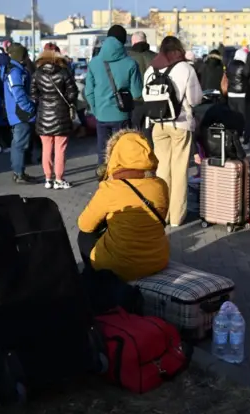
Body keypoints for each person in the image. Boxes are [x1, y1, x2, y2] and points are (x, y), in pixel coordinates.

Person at [77, 130, 170, 282]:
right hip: (158, 260)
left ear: (116, 156)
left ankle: (95, 277)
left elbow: (84, 224)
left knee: (84, 235)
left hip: (119, 267)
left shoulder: (111, 188)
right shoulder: (160, 184)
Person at [143, 36, 202, 227]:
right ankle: (176, 217)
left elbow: (145, 95)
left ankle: (161, 213)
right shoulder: (186, 69)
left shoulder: (151, 69)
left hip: (157, 124)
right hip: (180, 124)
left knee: (162, 169)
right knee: (179, 171)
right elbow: (195, 99)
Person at [85, 25, 143, 164]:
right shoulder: (130, 63)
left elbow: (88, 91)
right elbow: (137, 92)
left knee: (103, 152)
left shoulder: (94, 63)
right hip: (121, 115)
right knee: (121, 152)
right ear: (123, 42)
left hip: (101, 115)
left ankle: (104, 181)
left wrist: (96, 110)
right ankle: (119, 183)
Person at [30, 45, 78, 190]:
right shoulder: (64, 72)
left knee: (46, 149)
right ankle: (59, 179)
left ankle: (47, 179)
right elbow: (72, 93)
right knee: (60, 149)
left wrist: (44, 100)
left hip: (44, 115)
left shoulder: (37, 73)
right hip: (61, 115)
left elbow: (33, 95)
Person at [3, 43, 37, 184]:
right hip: (20, 113)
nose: (26, 57)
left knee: (18, 143)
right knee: (20, 144)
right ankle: (19, 174)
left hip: (17, 112)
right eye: (24, 54)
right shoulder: (15, 72)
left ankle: (19, 172)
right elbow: (18, 93)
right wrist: (29, 108)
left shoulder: (14, 69)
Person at [226, 48, 248, 136]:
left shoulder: (230, 64)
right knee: (242, 114)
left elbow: (227, 76)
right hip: (242, 94)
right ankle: (240, 131)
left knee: (232, 113)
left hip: (231, 92)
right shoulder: (244, 66)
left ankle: (232, 130)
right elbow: (248, 77)